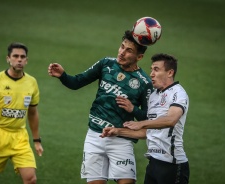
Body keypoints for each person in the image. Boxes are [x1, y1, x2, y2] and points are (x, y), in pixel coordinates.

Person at [48, 30, 153, 184]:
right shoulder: (106, 64)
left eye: (128, 50)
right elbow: (77, 82)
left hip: (121, 140)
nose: (122, 52)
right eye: (122, 47)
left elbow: (148, 121)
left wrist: (133, 109)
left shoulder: (144, 82)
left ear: (139, 57)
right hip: (94, 137)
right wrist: (63, 75)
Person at [101, 53, 190, 184]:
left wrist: (142, 123)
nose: (151, 74)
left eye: (156, 69)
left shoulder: (178, 93)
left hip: (172, 165)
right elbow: (147, 132)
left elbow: (171, 120)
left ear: (170, 72)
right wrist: (118, 131)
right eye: (151, 69)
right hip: (153, 163)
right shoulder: (154, 96)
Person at [0, 42, 44, 184]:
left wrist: (37, 140)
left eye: (22, 57)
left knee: (31, 179)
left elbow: (32, 113)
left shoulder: (31, 82)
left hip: (20, 137)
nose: (19, 59)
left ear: (26, 60)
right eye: (15, 56)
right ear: (8, 58)